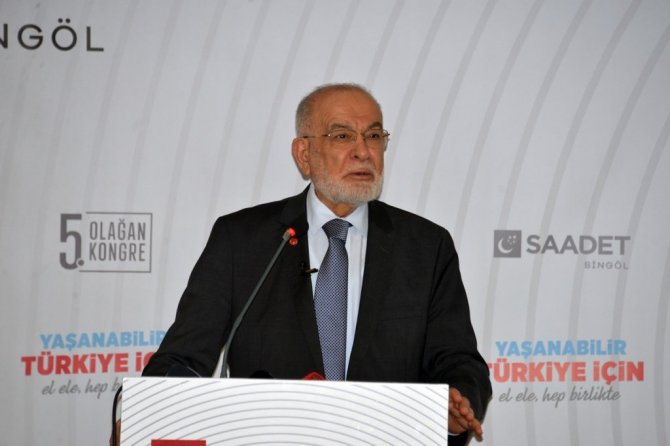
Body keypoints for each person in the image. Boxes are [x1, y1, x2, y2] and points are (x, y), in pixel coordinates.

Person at [139, 83, 491, 444]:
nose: (363, 151)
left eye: (373, 136)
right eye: (342, 136)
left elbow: (459, 362)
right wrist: (145, 414)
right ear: (304, 154)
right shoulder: (241, 241)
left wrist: (455, 408)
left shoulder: (426, 247)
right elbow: (181, 359)